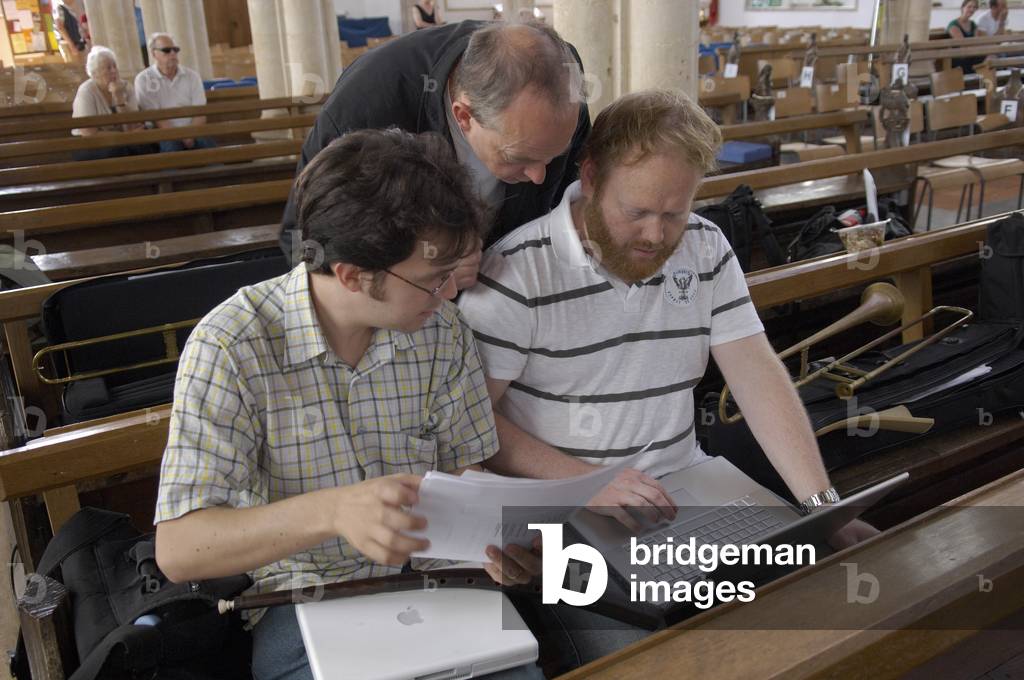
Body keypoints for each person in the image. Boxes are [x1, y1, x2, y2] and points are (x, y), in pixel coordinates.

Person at [458, 90, 878, 667]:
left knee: (822, 614)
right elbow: (470, 427)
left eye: (674, 213)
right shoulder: (514, 273)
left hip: (690, 491)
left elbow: (757, 374)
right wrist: (583, 482)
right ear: (591, 175)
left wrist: (822, 507)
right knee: (646, 662)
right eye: (636, 212)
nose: (657, 236)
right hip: (566, 521)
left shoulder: (705, 246)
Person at [153, 128, 544, 680]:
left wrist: (502, 541)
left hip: (434, 584)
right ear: (352, 275)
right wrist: (335, 511)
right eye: (434, 280)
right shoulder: (232, 345)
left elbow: (464, 471)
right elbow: (179, 548)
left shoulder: (440, 331)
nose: (450, 294)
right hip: (301, 602)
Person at [277, 20, 591, 291]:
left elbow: (571, 197)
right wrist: (426, 270)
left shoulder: (561, 79)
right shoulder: (366, 108)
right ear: (464, 116)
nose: (539, 176)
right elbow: (306, 247)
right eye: (517, 157)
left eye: (553, 155)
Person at [71, 46, 156, 161]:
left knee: (148, 145)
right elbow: (89, 133)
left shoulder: (126, 87)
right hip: (90, 145)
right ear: (95, 73)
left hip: (123, 141)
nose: (113, 71)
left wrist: (119, 97)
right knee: (119, 151)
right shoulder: (86, 91)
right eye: (108, 68)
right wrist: (126, 137)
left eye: (114, 66)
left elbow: (134, 124)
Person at [135, 32, 215, 153]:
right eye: (167, 50)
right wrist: (180, 136)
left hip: (194, 130)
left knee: (208, 145)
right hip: (164, 133)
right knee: (170, 146)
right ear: (153, 54)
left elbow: (200, 114)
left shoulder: (192, 76)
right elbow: (157, 118)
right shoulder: (144, 79)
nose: (173, 53)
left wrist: (190, 135)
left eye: (175, 50)